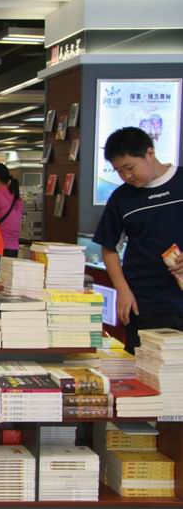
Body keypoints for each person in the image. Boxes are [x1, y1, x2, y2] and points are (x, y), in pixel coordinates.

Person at [93, 127, 183, 353]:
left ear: (150, 153)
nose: (126, 176)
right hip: (144, 302)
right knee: (144, 365)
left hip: (178, 296)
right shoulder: (122, 197)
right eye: (119, 171)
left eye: (130, 168)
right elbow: (108, 248)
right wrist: (122, 290)